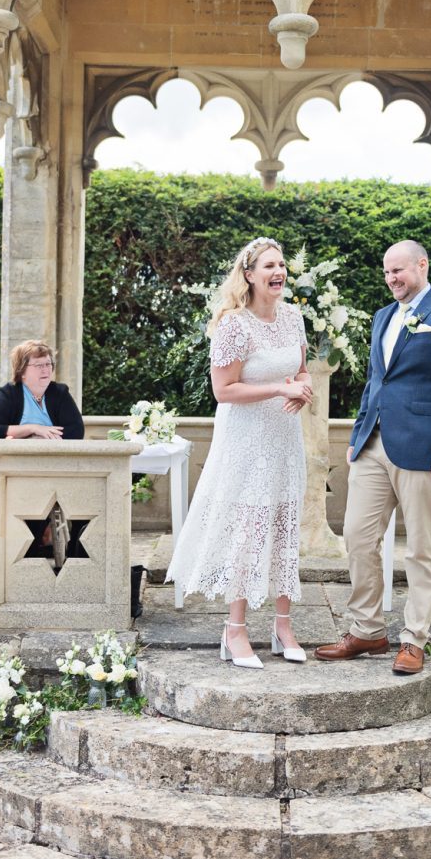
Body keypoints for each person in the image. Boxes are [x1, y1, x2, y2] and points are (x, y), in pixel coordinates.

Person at [315, 240, 431, 674]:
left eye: (399, 271)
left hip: (426, 449)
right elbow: (375, 383)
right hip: (373, 445)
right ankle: (367, 630)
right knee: (357, 535)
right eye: (387, 273)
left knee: (423, 548)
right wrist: (357, 433)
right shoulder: (383, 317)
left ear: (422, 265)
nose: (392, 279)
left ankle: (414, 639)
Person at [167, 237, 313, 669]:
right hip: (247, 442)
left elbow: (302, 371)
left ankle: (283, 626)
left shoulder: (294, 317)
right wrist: (279, 387)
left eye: (282, 264)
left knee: (287, 526)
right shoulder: (234, 325)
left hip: (285, 439)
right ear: (248, 275)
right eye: (269, 265)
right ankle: (235, 632)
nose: (279, 271)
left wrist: (302, 390)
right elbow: (223, 390)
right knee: (249, 533)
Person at [0, 339, 85, 557]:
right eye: (39, 365)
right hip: (20, 469)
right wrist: (33, 429)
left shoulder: (59, 393)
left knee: (81, 502)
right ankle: (32, 549)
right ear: (22, 370)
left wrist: (29, 435)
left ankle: (72, 551)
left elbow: (74, 431)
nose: (46, 369)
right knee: (31, 501)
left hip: (57, 466)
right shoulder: (9, 394)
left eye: (48, 364)